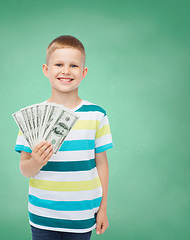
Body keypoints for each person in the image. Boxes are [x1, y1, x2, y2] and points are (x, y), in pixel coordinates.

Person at [14, 35, 114, 240]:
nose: (66, 71)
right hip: (43, 214)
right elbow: (25, 169)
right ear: (46, 70)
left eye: (74, 65)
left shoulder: (97, 115)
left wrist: (102, 208)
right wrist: (36, 162)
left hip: (83, 214)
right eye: (59, 64)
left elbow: (101, 164)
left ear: (83, 72)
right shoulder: (33, 117)